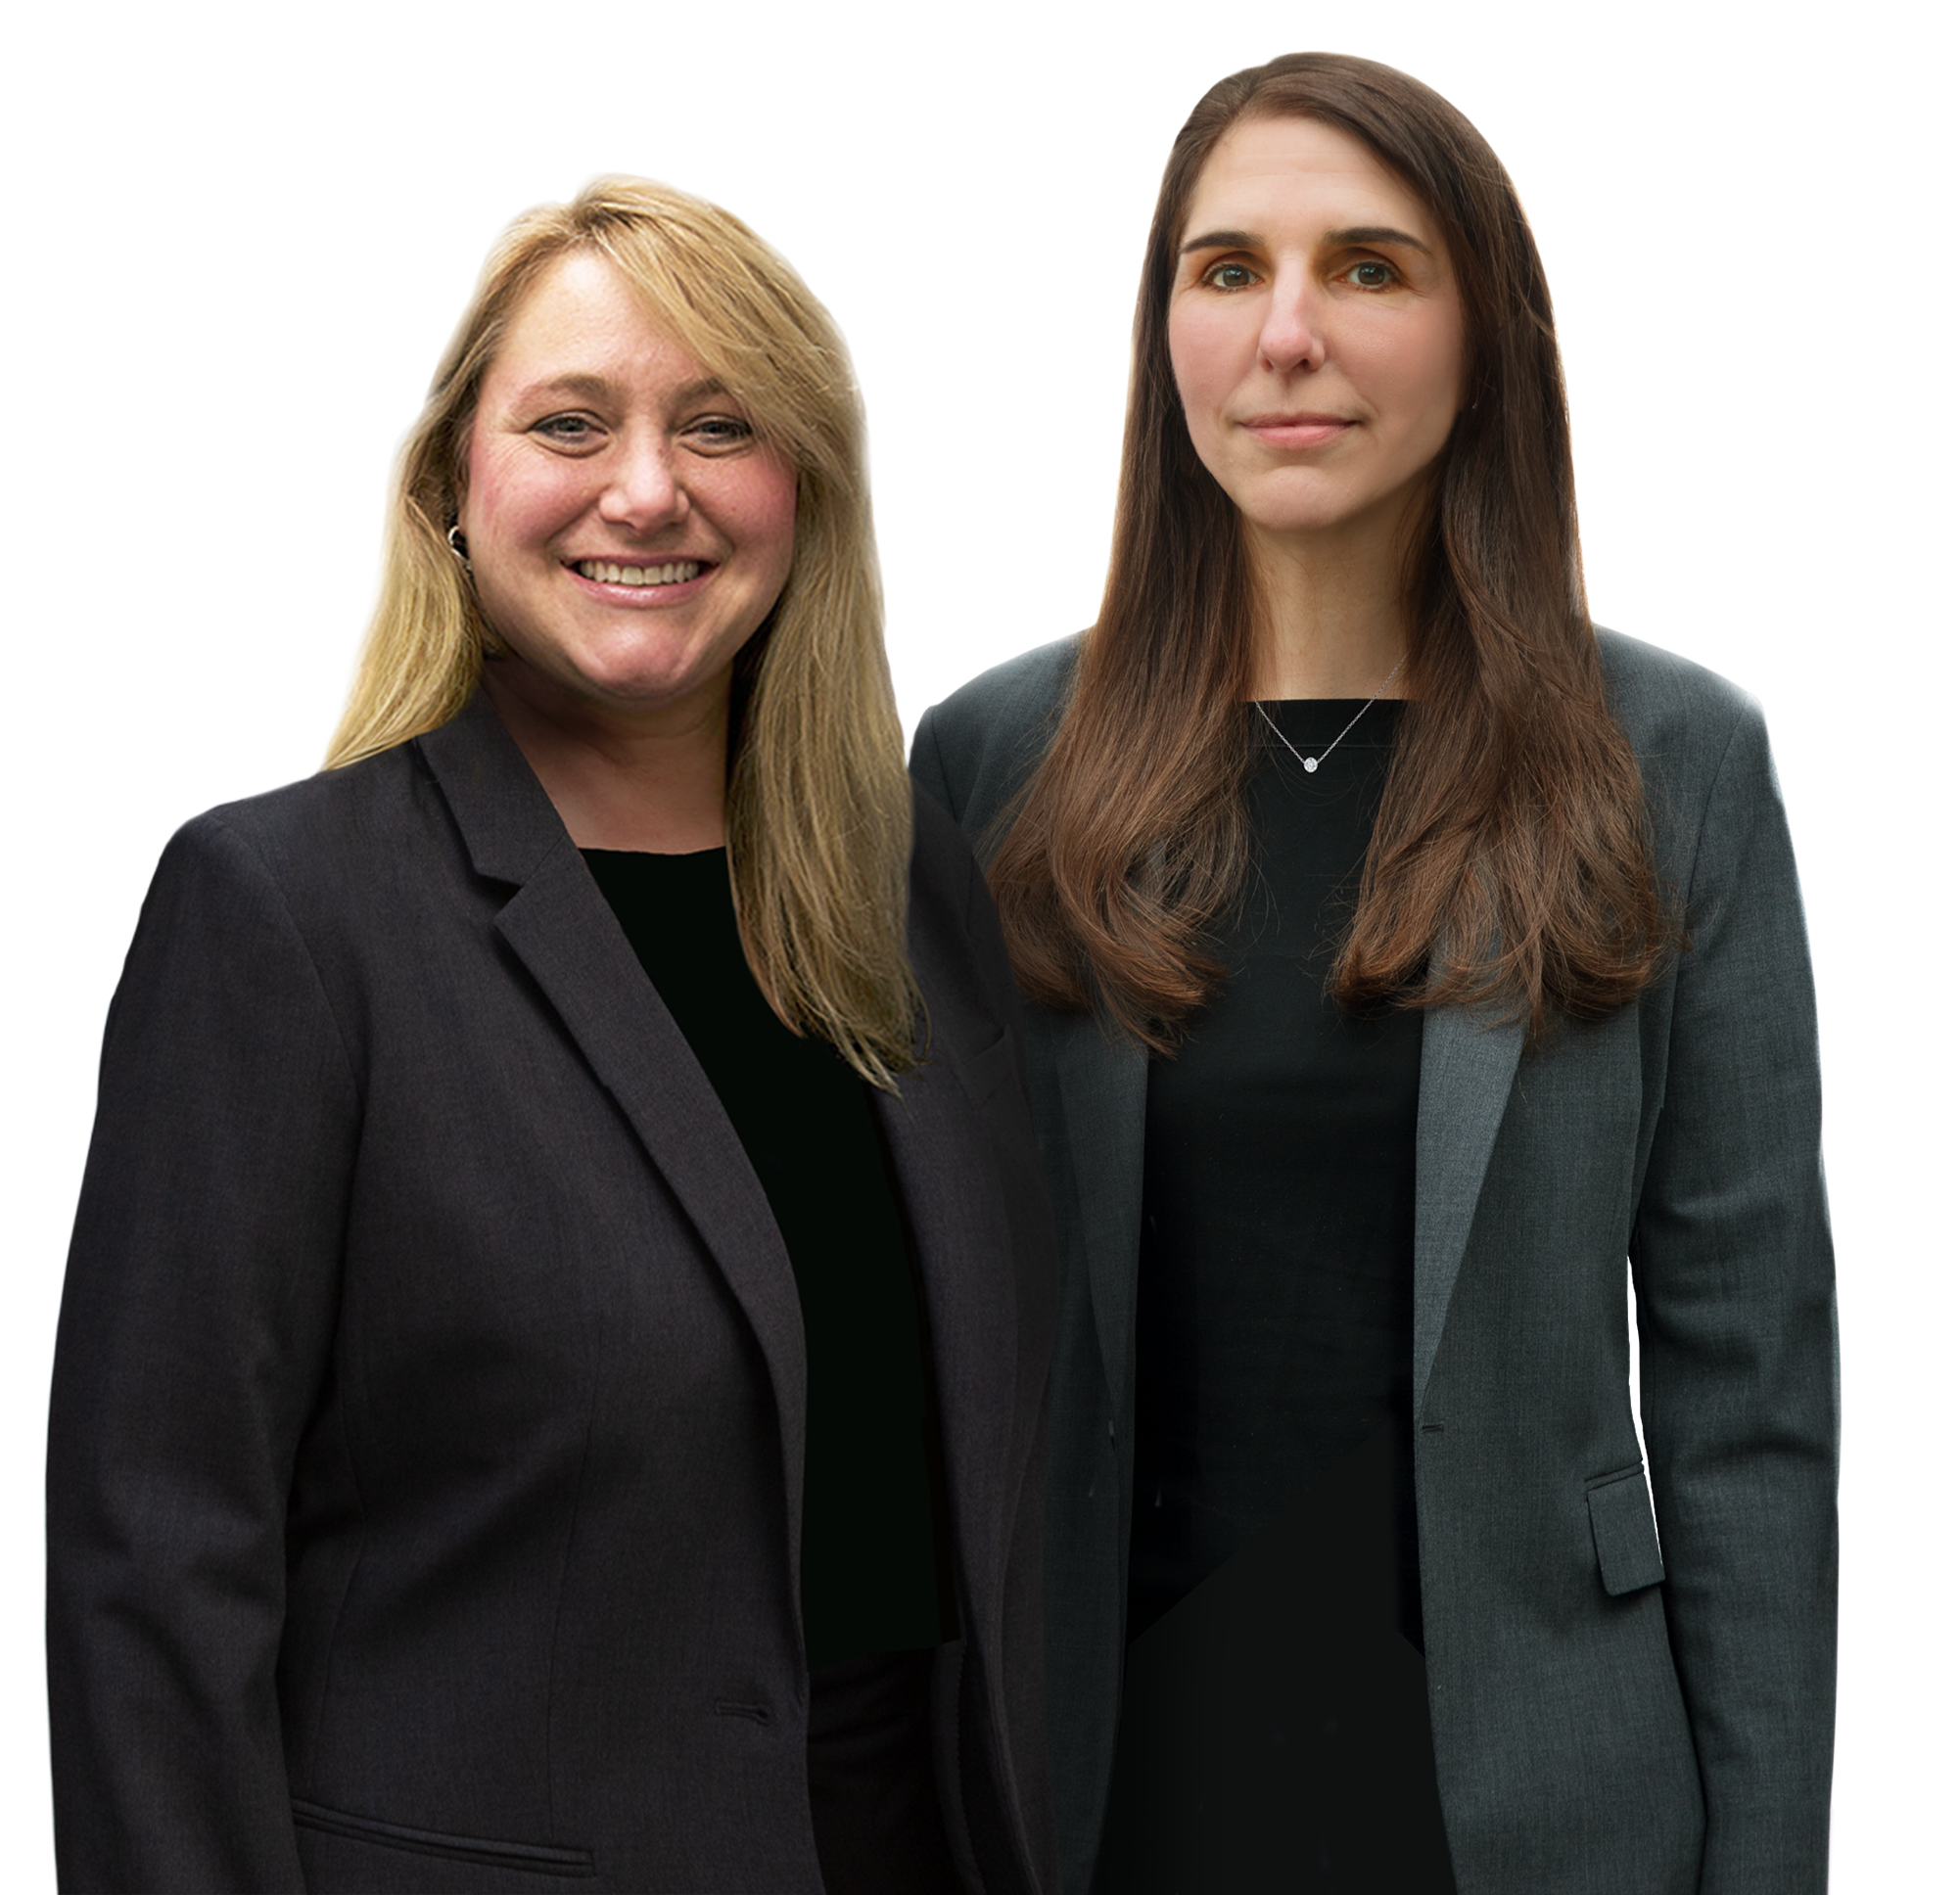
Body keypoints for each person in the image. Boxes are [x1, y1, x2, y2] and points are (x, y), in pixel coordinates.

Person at [46, 172, 1059, 1895]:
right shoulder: (283, 912)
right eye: (570, 424)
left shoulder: (910, 888)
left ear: (805, 489)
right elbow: (154, 1566)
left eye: (720, 425)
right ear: (454, 483)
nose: (646, 490)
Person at [909, 52, 1839, 1895]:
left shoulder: (1672, 761)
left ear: (1483, 337)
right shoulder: (991, 766)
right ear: (1162, 338)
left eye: (1367, 267)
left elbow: (1741, 1398)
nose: (1287, 336)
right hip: (1108, 1782)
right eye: (1226, 269)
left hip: (1533, 1793)